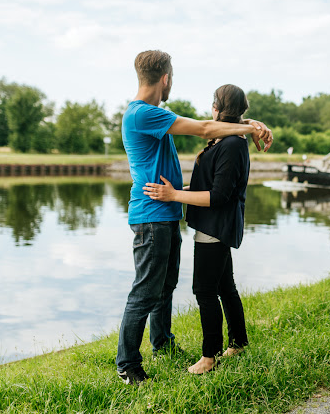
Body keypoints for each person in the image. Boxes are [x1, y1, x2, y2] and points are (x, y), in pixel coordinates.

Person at [116, 50, 272, 386]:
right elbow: (204, 128)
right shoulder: (143, 114)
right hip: (151, 215)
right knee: (145, 291)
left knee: (165, 287)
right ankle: (127, 364)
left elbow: (209, 130)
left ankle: (163, 343)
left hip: (167, 214)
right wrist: (250, 126)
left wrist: (249, 126)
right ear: (166, 79)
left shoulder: (156, 114)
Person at [144, 84, 253, 374]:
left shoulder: (231, 145)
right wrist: (176, 190)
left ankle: (209, 357)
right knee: (224, 286)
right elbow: (211, 187)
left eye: (212, 104)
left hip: (215, 227)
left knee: (204, 290)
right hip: (214, 224)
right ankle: (238, 343)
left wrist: (174, 196)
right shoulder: (226, 141)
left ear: (217, 108)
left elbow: (217, 197)